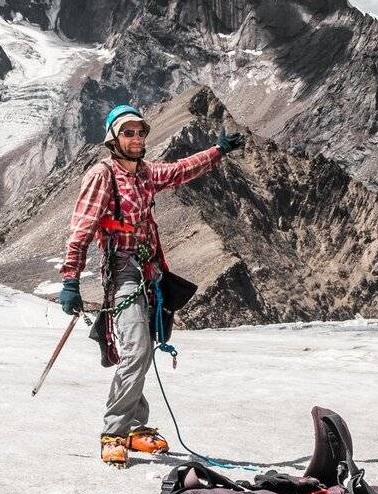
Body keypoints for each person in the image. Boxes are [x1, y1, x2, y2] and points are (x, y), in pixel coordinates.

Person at [59, 104, 245, 467]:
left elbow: (178, 171)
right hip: (122, 270)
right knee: (137, 349)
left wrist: (217, 151)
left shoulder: (145, 174)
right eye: (128, 132)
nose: (136, 138)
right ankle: (114, 430)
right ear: (114, 138)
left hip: (149, 271)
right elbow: (80, 230)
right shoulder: (102, 176)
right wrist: (70, 279)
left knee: (143, 346)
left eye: (140, 132)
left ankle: (134, 427)